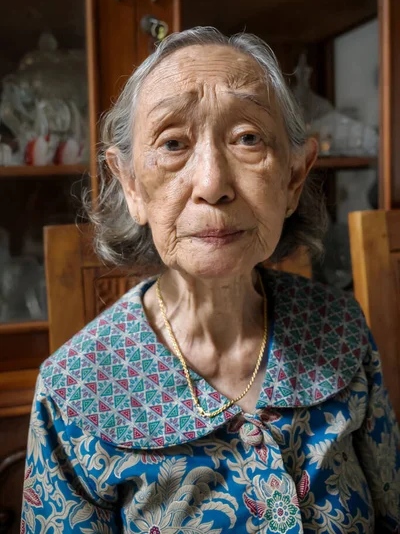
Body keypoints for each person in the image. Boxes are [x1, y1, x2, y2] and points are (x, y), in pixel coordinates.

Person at [21, 27, 399, 533]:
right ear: (130, 184)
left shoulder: (340, 328)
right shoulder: (72, 391)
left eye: (248, 138)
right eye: (173, 142)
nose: (213, 184)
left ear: (293, 176)